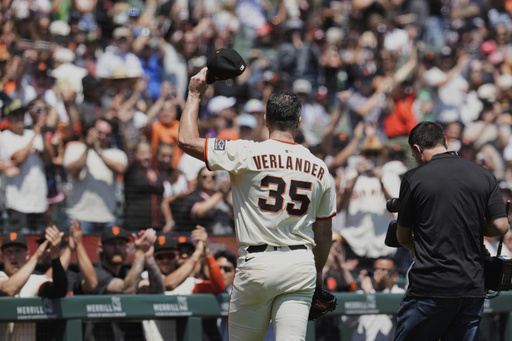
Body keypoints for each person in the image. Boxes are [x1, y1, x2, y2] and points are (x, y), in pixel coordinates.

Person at [178, 65, 336, 341]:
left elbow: (186, 140)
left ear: (265, 119)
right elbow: (324, 235)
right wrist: (317, 275)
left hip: (257, 261)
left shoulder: (246, 151)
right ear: (298, 123)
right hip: (300, 263)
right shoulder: (320, 168)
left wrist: (193, 94)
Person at [394, 121, 509, 340]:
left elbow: (402, 236)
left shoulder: (414, 178)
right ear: (445, 142)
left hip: (430, 288)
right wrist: (473, 225)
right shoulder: (483, 175)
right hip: (471, 287)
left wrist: (414, 247)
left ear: (417, 150)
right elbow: (501, 225)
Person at [0, 226, 68, 340]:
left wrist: (55, 256)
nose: (13, 256)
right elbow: (8, 289)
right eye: (9, 252)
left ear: (27, 254)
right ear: (2, 256)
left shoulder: (35, 279)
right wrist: (36, 256)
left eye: (18, 251)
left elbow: (59, 290)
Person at [63, 118, 128, 234]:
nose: (102, 137)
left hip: (107, 218)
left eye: (106, 134)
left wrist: (99, 153)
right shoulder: (74, 148)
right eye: (99, 132)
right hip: (79, 217)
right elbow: (74, 171)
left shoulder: (117, 154)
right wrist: (88, 148)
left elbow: (121, 169)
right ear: (91, 131)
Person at [342, 257, 405, 341]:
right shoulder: (363, 293)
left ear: (395, 276)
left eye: (384, 270)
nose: (379, 273)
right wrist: (366, 296)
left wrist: (383, 290)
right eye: (376, 270)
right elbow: (347, 321)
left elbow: (402, 323)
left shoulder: (400, 294)